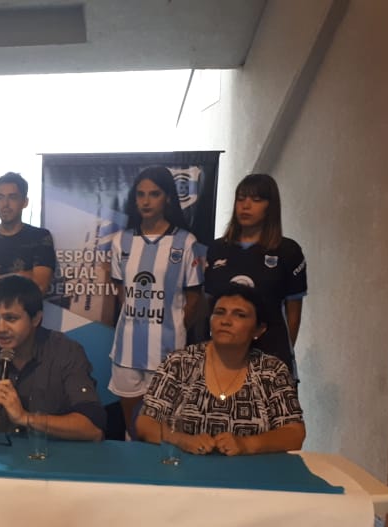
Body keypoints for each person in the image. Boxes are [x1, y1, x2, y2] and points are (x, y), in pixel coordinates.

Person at [136, 283, 305, 455]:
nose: (225, 321)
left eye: (239, 315)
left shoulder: (272, 371)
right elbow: (145, 423)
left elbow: (294, 433)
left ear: (258, 330)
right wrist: (181, 440)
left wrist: (246, 444)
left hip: (252, 469)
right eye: (219, 312)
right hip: (184, 466)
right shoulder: (179, 362)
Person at [0, 275, 105, 447]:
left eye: (11, 318)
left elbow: (92, 429)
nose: (0, 328)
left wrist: (26, 418)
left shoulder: (66, 351)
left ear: (36, 318)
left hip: (50, 456)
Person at [107, 166, 203, 437]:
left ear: (168, 197)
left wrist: (173, 328)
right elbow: (121, 292)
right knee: (133, 427)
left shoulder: (186, 242)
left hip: (167, 352)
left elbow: (194, 299)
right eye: (141, 194)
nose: (146, 201)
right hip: (127, 349)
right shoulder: (121, 241)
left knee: (165, 429)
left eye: (154, 194)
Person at [205, 173, 307, 376]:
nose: (246, 206)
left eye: (256, 200)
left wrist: (279, 359)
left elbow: (293, 315)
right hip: (224, 356)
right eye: (241, 199)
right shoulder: (217, 249)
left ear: (270, 206)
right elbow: (208, 305)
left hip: (270, 353)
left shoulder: (288, 251)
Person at [0, 172, 56, 338]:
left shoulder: (40, 237)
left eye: (12, 197)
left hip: (25, 337)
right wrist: (23, 276)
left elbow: (40, 286)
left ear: (25, 202)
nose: (5, 204)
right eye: (0, 197)